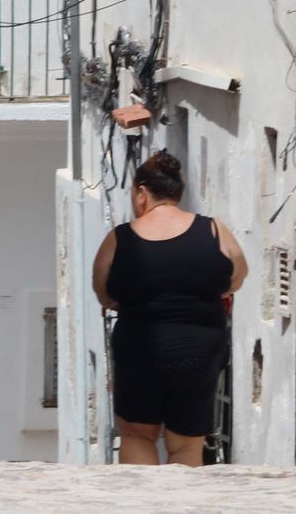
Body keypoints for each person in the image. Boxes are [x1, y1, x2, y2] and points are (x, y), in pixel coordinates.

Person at [91, 151, 248, 466]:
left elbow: (103, 290)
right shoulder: (214, 230)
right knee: (187, 444)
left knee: (137, 435)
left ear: (142, 193)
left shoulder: (120, 239)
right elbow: (238, 275)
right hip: (199, 350)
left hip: (139, 347)